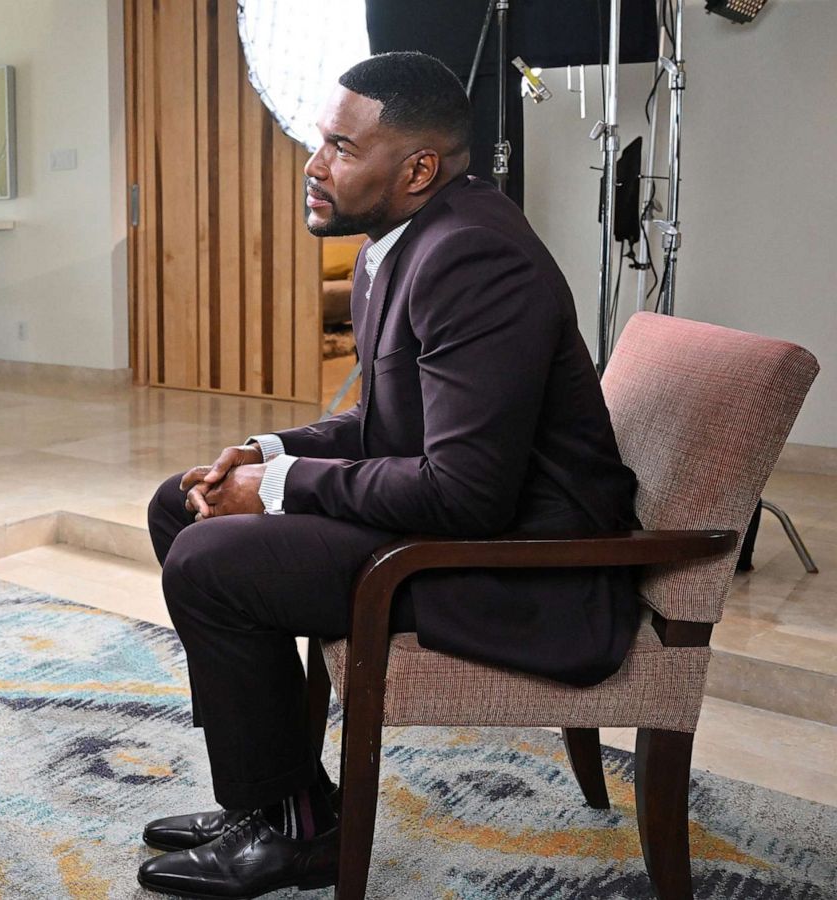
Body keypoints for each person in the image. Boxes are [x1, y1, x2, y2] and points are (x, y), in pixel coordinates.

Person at [136, 51, 642, 898]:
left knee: (210, 561)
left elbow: (466, 493)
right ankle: (286, 802)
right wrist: (266, 452)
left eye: (340, 146)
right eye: (319, 141)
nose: (314, 163)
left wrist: (285, 487)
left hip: (528, 570)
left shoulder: (473, 258)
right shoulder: (405, 243)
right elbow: (387, 427)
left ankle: (296, 834)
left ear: (416, 169)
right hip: (467, 529)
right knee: (180, 506)